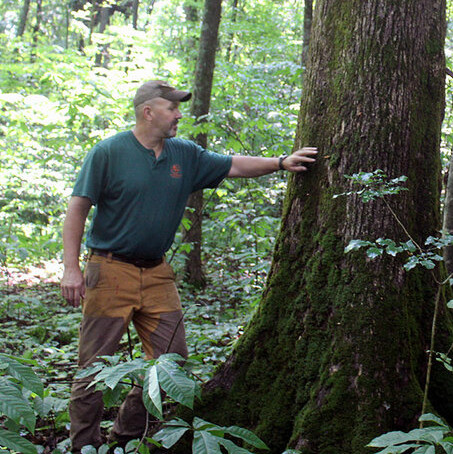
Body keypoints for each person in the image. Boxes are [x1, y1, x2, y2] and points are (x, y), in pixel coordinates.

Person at [60, 80, 317, 450]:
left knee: (172, 363)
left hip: (157, 273)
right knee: (94, 369)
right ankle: (83, 445)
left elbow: (233, 165)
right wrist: (71, 268)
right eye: (172, 108)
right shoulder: (108, 152)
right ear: (148, 112)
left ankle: (124, 439)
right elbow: (78, 207)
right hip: (110, 270)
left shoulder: (184, 154)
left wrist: (281, 163)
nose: (179, 114)